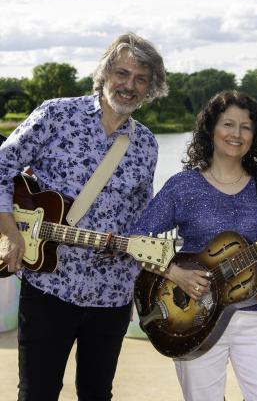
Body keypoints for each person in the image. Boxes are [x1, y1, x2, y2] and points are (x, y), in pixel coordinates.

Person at [0, 33, 168, 401]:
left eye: (141, 79)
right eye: (122, 73)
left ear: (150, 88)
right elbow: (2, 164)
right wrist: (10, 231)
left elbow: (142, 212)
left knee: (97, 393)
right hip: (49, 285)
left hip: (112, 293)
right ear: (105, 73)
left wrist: (145, 246)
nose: (129, 86)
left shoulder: (147, 144)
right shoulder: (57, 115)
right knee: (37, 392)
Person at [133, 90, 257, 401]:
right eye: (228, 124)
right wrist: (174, 272)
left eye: (246, 127)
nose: (236, 134)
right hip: (193, 317)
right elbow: (140, 239)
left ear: (254, 135)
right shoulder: (183, 185)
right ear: (210, 129)